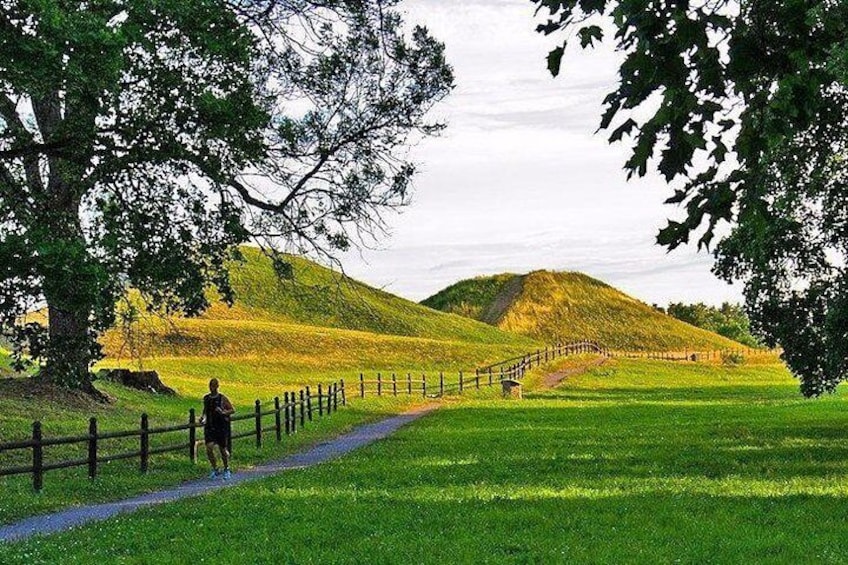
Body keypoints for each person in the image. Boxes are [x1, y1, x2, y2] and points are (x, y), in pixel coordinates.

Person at [199, 378, 235, 480]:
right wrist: (202, 418)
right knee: (209, 448)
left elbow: (232, 410)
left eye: (214, 386)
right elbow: (205, 410)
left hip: (221, 426)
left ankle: (226, 468)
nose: (212, 388)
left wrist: (223, 412)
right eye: (210, 386)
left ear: (217, 386)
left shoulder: (222, 398)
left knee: (222, 450)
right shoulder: (206, 398)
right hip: (210, 426)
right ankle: (215, 468)